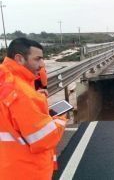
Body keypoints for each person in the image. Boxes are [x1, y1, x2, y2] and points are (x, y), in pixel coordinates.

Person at [0, 38, 67, 180]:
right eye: (37, 59)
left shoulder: (5, 78)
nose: (42, 64)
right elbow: (44, 138)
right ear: (19, 58)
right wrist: (60, 120)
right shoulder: (22, 92)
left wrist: (34, 98)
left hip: (7, 166)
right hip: (27, 171)